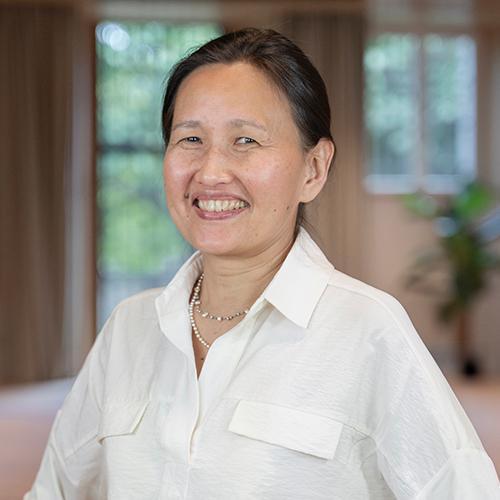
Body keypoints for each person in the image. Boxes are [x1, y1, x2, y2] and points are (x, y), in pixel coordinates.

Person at [25, 27, 499, 499]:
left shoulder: (367, 330)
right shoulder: (130, 328)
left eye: (246, 140)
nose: (211, 171)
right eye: (190, 138)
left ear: (314, 169)